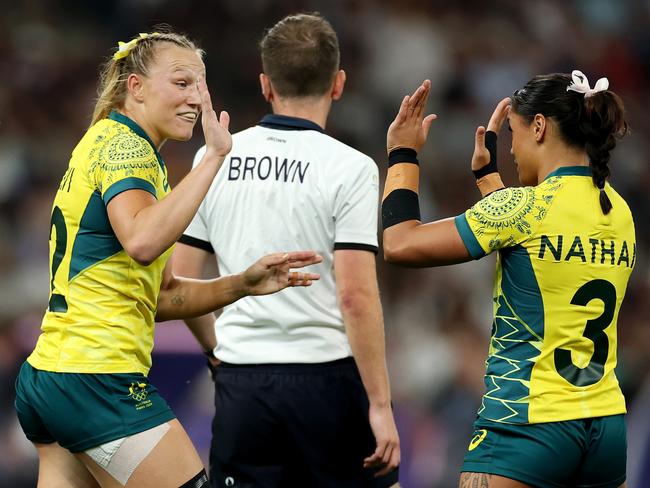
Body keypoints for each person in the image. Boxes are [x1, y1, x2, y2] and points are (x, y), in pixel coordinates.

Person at [14, 29, 322, 488]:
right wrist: (213, 158)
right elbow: (141, 240)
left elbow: (161, 298)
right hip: (97, 376)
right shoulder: (126, 148)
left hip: (53, 377)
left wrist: (242, 283)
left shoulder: (110, 143)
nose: (197, 98)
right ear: (135, 87)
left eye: (200, 85)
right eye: (181, 83)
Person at [172, 13, 400, 488]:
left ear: (264, 83)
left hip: (241, 385)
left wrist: (219, 351)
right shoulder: (351, 168)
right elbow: (356, 295)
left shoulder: (215, 156)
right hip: (326, 382)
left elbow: (182, 278)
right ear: (338, 84)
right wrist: (379, 404)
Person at [381, 72, 632, 488]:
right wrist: (488, 181)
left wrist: (402, 152)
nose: (511, 149)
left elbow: (400, 243)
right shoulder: (619, 211)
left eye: (513, 132)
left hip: (527, 425)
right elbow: (538, 241)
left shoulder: (523, 207)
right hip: (604, 426)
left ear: (538, 126)